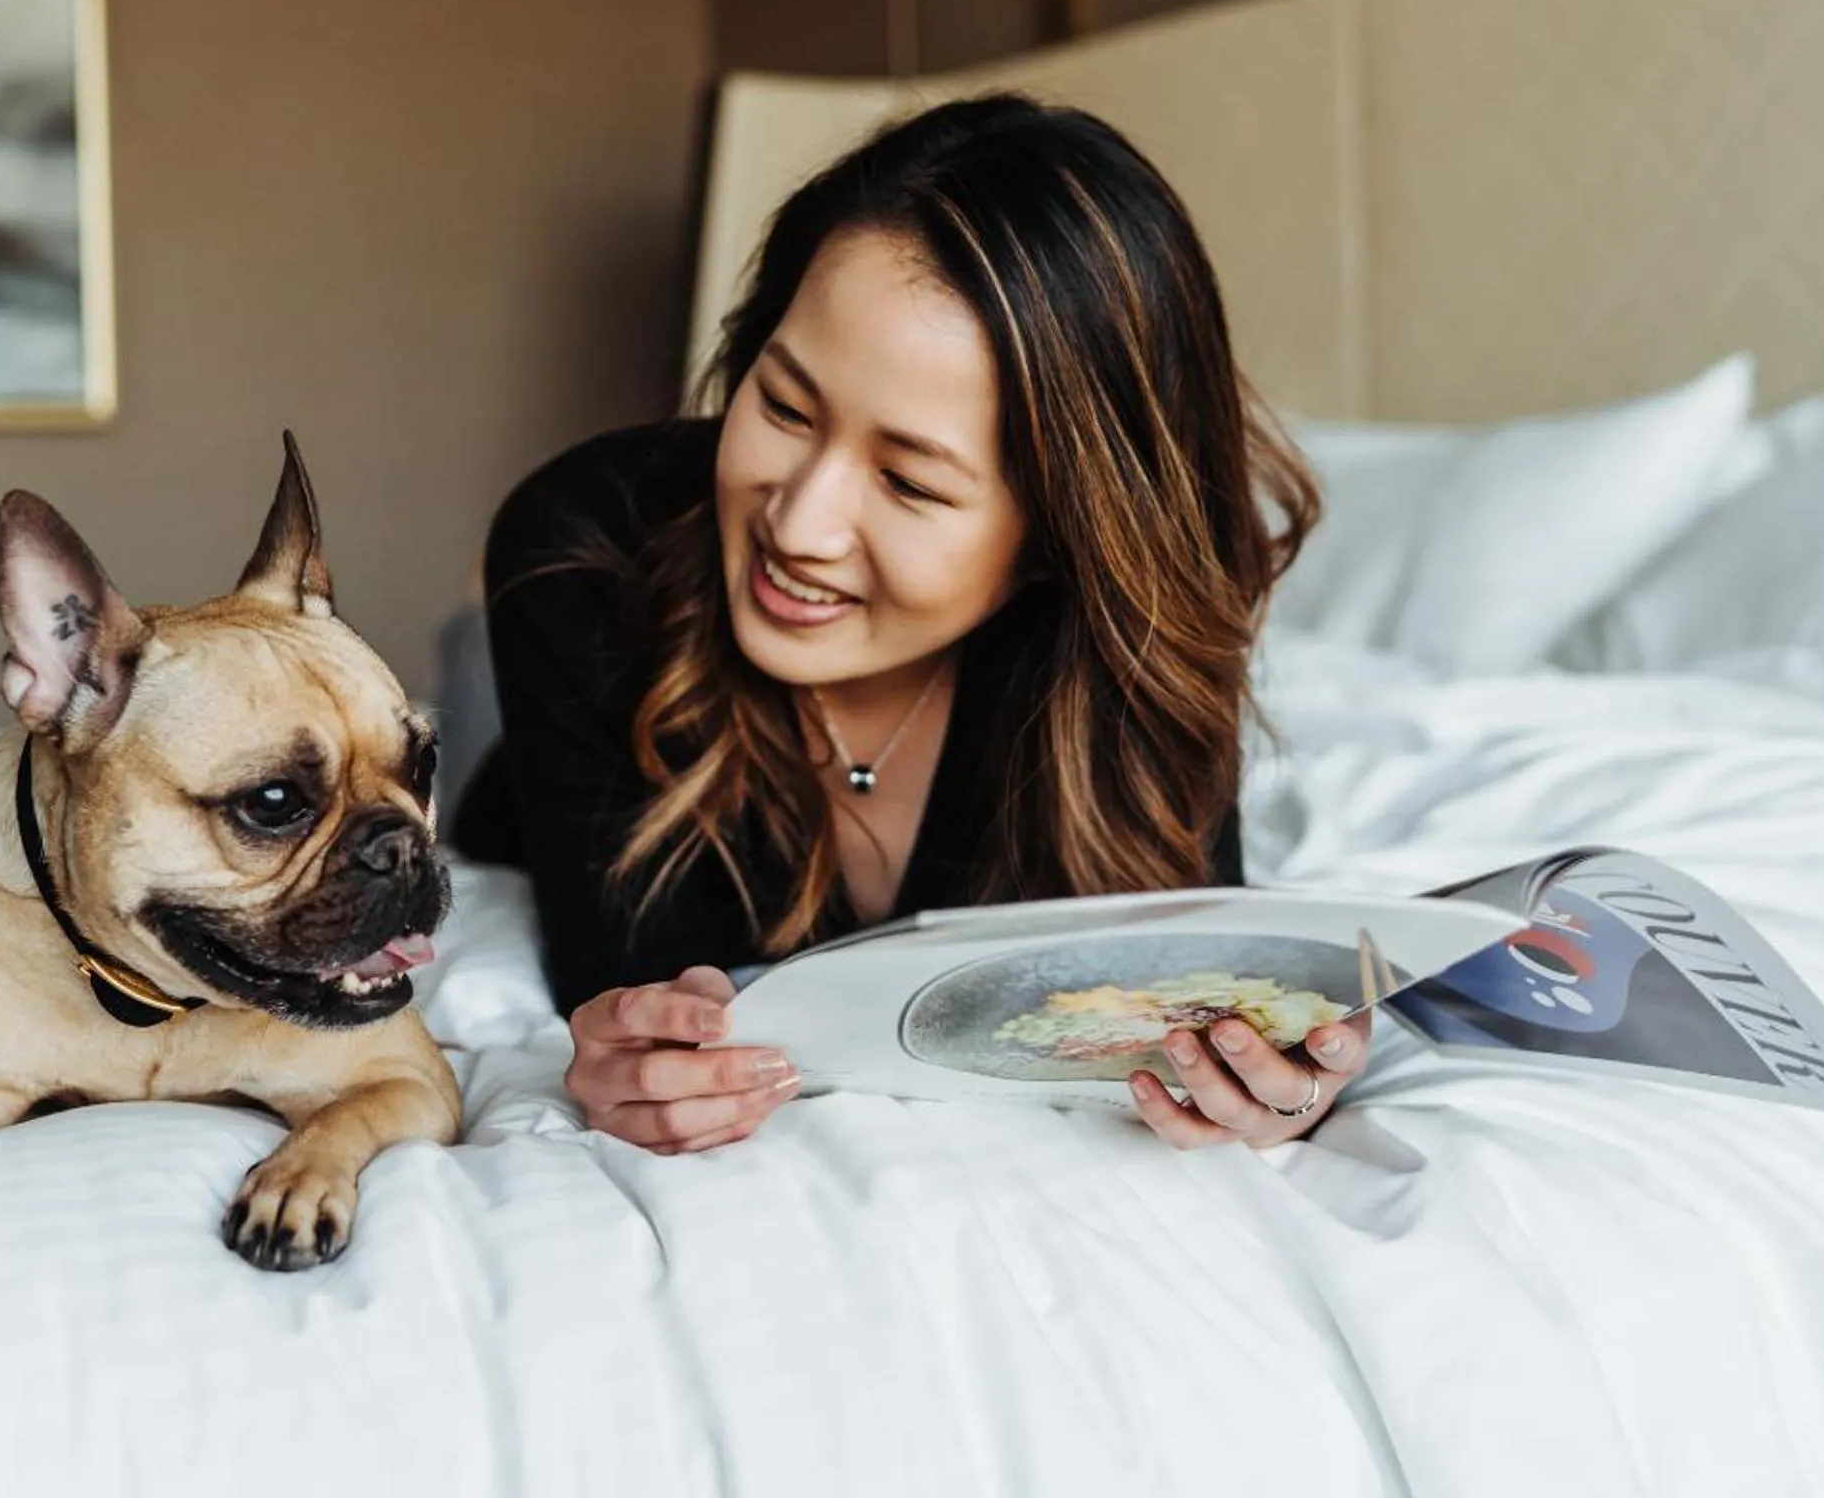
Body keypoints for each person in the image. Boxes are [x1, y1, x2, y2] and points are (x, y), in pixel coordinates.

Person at [448, 93, 1362, 1155]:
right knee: (450, 706)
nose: (799, 522)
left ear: (1065, 533)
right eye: (784, 407)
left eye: (910, 482)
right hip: (563, 685)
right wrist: (640, 1048)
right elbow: (638, 995)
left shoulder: (1132, 649)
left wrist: (1273, 1085)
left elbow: (1188, 984)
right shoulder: (578, 546)